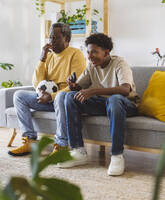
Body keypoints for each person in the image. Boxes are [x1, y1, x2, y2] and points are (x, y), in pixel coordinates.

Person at [54, 33, 139, 176]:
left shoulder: (119, 63)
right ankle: (78, 151)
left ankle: (117, 155)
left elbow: (125, 89)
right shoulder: (92, 66)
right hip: (104, 104)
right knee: (70, 97)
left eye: (94, 52)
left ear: (106, 52)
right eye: (88, 52)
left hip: (126, 105)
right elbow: (79, 89)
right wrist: (73, 85)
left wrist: (93, 91)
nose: (90, 56)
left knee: (114, 99)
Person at [8, 23, 86, 156]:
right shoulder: (48, 56)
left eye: (55, 38)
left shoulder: (75, 54)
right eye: (50, 38)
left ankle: (62, 145)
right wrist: (42, 58)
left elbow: (77, 85)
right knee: (19, 95)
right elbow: (36, 83)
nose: (51, 41)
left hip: (64, 100)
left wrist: (52, 96)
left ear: (66, 39)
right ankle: (30, 141)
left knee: (61, 97)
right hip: (47, 99)